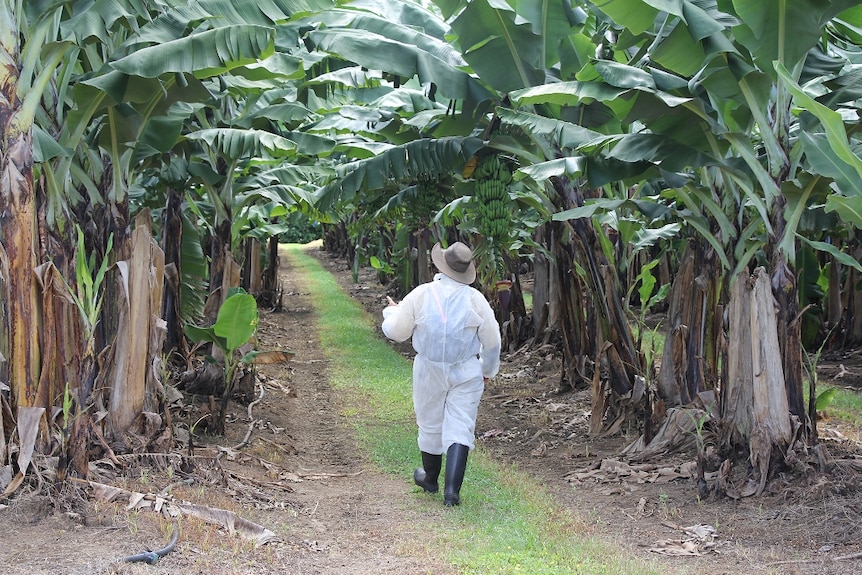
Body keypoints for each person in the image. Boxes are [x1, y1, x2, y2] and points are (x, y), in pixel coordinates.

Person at [381, 241, 501, 506]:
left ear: (441, 265)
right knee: (461, 424)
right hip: (467, 368)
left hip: (429, 368)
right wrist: (487, 370)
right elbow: (492, 341)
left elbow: (397, 332)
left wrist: (392, 311)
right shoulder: (475, 299)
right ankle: (452, 491)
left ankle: (430, 478)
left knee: (430, 421)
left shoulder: (422, 294)